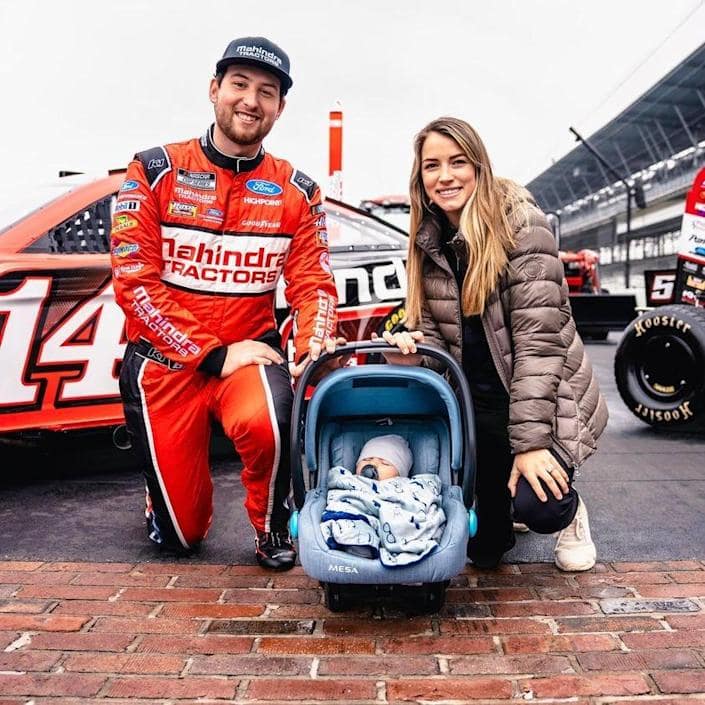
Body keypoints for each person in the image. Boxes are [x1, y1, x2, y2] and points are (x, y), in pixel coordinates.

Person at [111, 36, 338, 571]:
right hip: (165, 364)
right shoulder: (153, 169)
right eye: (239, 84)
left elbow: (314, 284)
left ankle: (271, 523)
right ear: (215, 89)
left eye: (267, 92)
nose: (251, 101)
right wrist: (214, 353)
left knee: (270, 421)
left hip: (249, 358)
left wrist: (313, 346)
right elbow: (134, 281)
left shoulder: (298, 191)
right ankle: (164, 504)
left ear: (280, 108)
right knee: (180, 539)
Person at [376, 116, 608, 572]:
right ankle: (504, 499)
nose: (445, 176)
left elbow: (541, 348)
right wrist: (406, 346)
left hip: (541, 397)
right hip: (477, 409)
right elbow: (435, 343)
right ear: (420, 179)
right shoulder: (428, 240)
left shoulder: (523, 225)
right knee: (485, 552)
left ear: (479, 166)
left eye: (458, 162)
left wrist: (531, 445)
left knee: (538, 508)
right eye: (432, 166)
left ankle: (569, 507)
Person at [320, 434, 446, 564]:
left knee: (405, 520)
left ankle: (381, 541)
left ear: (400, 472)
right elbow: (338, 492)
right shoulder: (351, 480)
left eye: (385, 463)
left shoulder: (406, 484)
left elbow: (419, 498)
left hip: (392, 515)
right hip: (361, 512)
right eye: (366, 460)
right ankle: (359, 543)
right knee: (347, 516)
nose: (372, 465)